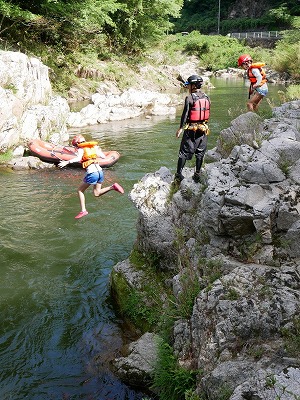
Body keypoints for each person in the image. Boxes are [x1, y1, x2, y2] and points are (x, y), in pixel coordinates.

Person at [58, 134, 124, 219]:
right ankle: (112, 187)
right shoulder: (93, 147)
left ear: (77, 144)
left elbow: (78, 158)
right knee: (97, 193)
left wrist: (67, 162)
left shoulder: (81, 149)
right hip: (100, 171)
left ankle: (83, 210)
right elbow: (103, 157)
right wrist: (98, 150)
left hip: (92, 173)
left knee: (80, 190)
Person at [175, 74, 211, 183]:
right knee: (200, 153)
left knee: (184, 152)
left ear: (193, 86)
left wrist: (180, 128)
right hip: (203, 129)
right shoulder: (206, 97)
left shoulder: (189, 98)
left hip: (191, 130)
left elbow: (185, 114)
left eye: (189, 85)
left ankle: (178, 174)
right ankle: (197, 173)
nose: (188, 87)